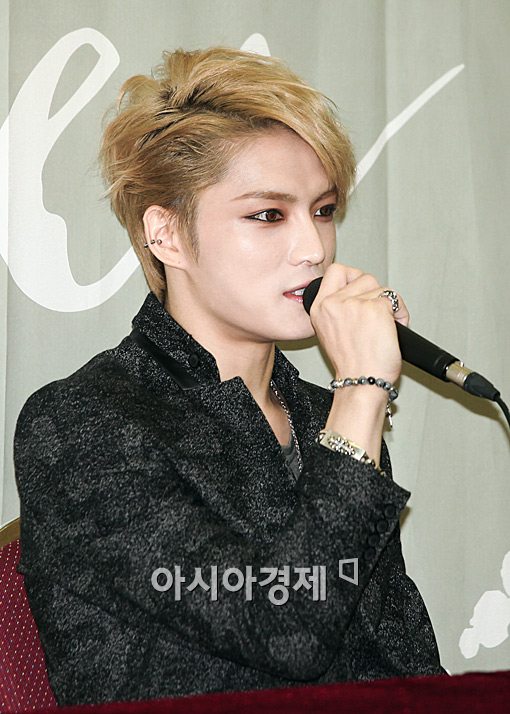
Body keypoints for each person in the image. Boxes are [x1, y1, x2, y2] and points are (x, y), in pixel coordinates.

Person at [14, 47, 445, 706]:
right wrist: (362, 391)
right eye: (268, 215)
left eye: (323, 210)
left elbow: (404, 655)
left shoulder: (321, 416)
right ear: (167, 234)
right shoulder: (83, 424)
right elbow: (288, 627)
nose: (314, 249)